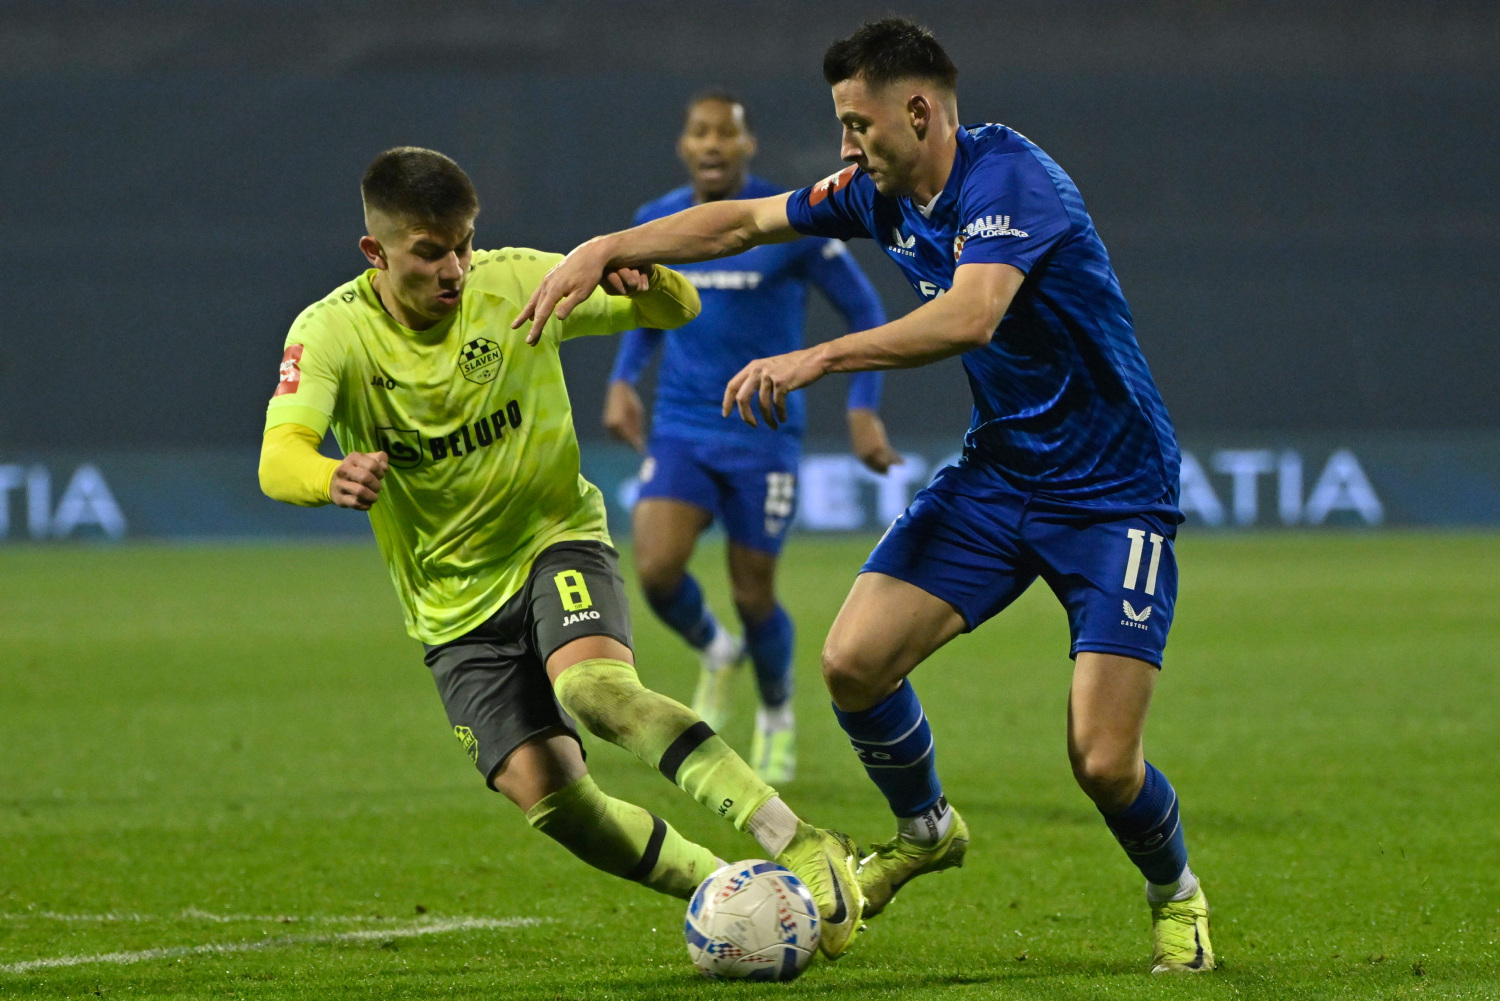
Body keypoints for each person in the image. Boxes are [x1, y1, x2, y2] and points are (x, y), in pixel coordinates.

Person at [514, 18, 1216, 975]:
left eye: (857, 123)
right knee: (853, 663)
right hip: (1002, 474)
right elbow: (743, 221)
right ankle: (926, 829)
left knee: (1101, 759)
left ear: (918, 112)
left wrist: (820, 357)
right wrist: (606, 246)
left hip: (1114, 494)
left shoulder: (1009, 179)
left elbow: (972, 314)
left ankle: (1176, 893)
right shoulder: (878, 194)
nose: (846, 144)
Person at [258, 146, 867, 958]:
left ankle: (797, 839)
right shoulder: (331, 331)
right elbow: (278, 456)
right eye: (431, 252)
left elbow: (676, 309)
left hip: (554, 538)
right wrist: (329, 474)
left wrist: (645, 280)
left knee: (594, 689)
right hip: (450, 605)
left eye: (464, 245)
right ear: (376, 251)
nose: (455, 269)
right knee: (553, 799)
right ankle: (733, 891)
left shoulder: (517, 282)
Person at [604, 90, 897, 785]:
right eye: (700, 132)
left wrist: (862, 405)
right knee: (655, 570)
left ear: (746, 145)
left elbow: (865, 310)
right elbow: (646, 311)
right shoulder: (655, 222)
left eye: (725, 133)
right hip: (682, 425)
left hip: (763, 434)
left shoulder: (790, 220)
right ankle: (715, 649)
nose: (712, 143)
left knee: (754, 592)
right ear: (685, 145)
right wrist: (622, 378)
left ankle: (776, 711)